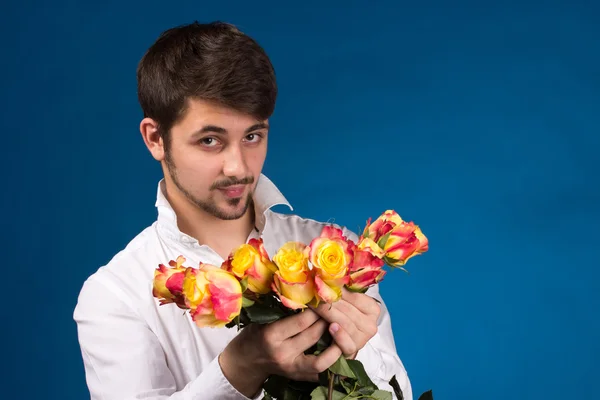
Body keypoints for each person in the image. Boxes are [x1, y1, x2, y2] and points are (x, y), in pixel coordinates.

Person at [73, 21, 413, 400]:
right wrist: (237, 371)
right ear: (156, 139)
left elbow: (397, 392)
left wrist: (358, 350)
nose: (238, 166)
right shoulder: (115, 296)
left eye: (252, 136)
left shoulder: (334, 250)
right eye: (210, 140)